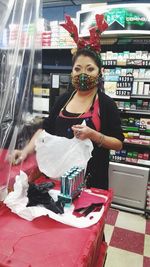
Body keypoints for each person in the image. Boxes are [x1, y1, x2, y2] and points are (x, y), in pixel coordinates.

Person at [10, 14, 124, 190]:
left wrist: (94, 135)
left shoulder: (106, 103)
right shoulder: (64, 99)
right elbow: (44, 130)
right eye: (77, 69)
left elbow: (118, 143)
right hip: (58, 178)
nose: (82, 74)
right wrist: (24, 152)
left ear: (100, 72)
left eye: (89, 69)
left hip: (90, 182)